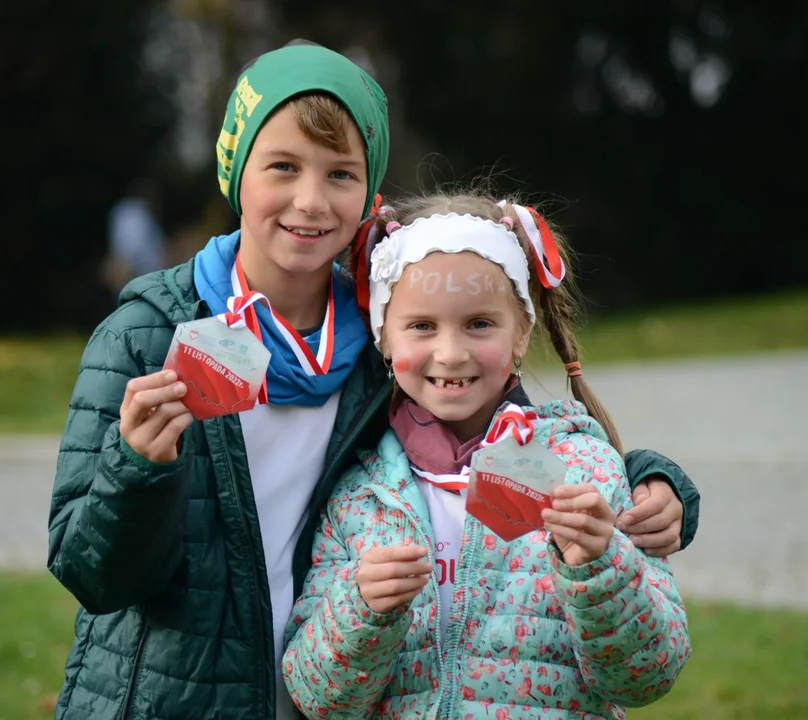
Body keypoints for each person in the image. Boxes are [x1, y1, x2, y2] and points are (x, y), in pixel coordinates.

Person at [47, 41, 698, 720]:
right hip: (175, 702)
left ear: (368, 189)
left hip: (318, 695)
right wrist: (138, 468)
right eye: (282, 167)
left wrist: (655, 484)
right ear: (234, 170)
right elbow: (92, 573)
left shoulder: (381, 332)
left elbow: (492, 423)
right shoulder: (147, 336)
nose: (310, 199)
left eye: (340, 174)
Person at [282, 192, 691, 719]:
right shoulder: (357, 495)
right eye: (422, 326)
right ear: (384, 337)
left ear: (522, 332)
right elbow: (319, 702)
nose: (451, 353)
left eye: (479, 324)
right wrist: (360, 612)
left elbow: (648, 676)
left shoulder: (585, 473)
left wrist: (602, 567)